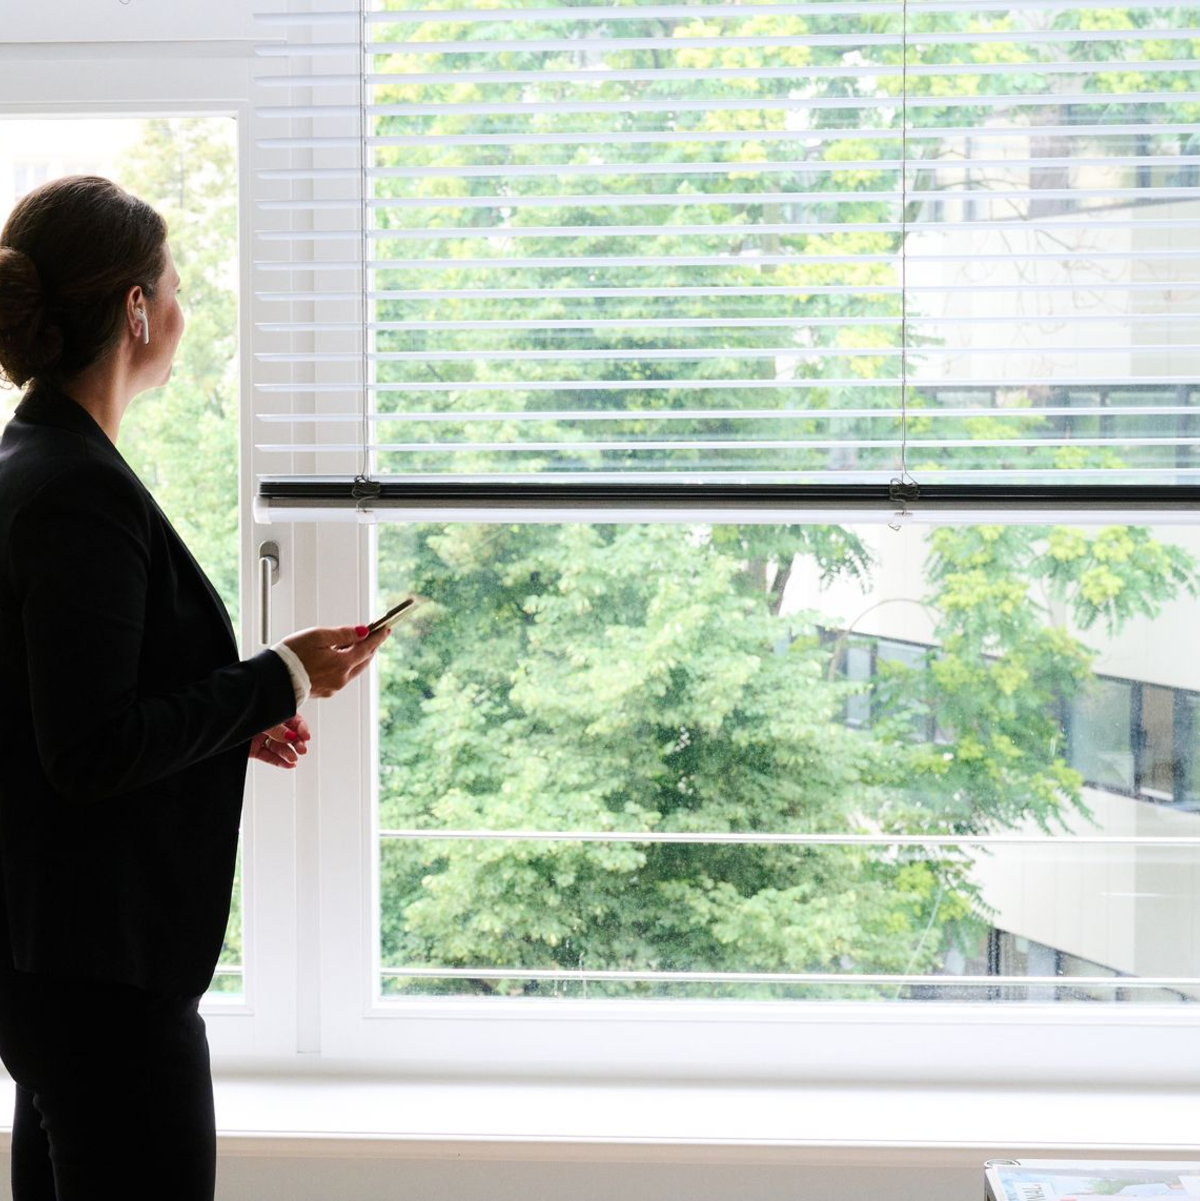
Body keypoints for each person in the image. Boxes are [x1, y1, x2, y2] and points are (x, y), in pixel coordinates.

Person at [0, 175, 388, 1199]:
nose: (182, 305)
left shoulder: (33, 462)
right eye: (174, 283)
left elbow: (54, 711)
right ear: (135, 308)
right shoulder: (76, 491)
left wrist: (233, 719)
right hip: (104, 986)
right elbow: (88, 750)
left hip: (55, 971)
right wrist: (287, 673)